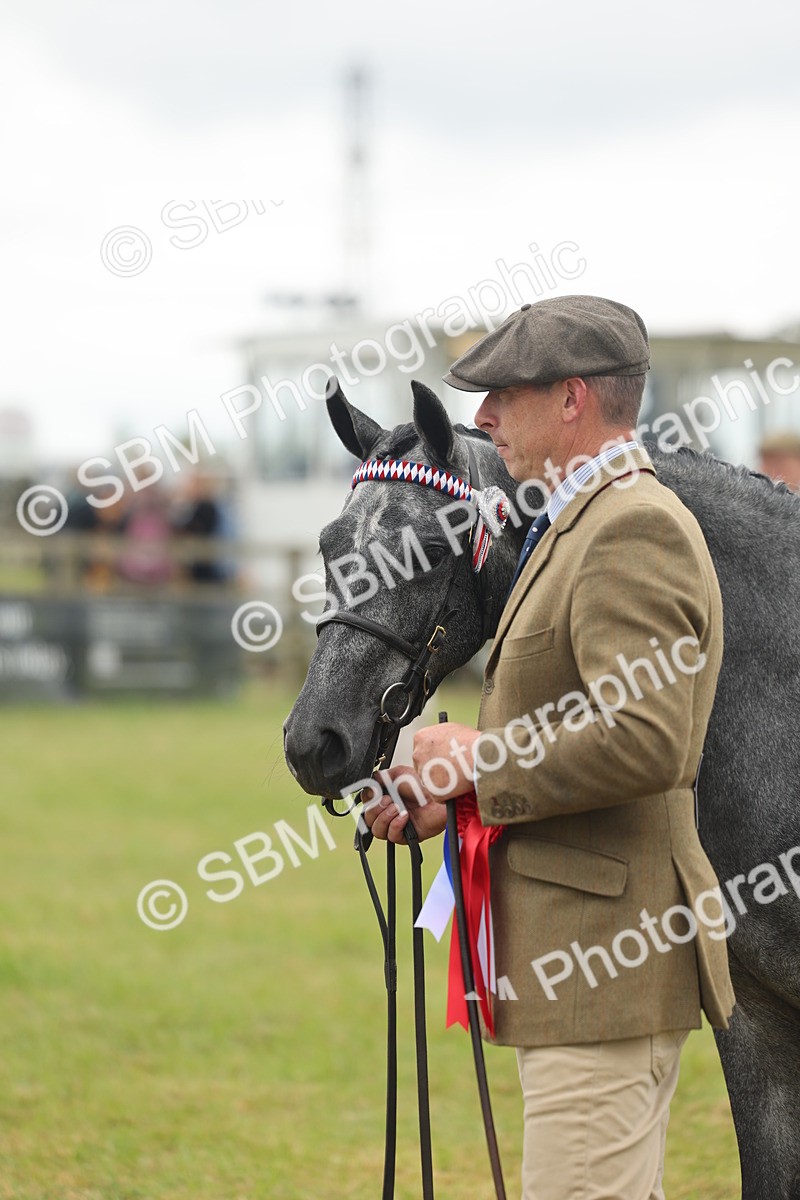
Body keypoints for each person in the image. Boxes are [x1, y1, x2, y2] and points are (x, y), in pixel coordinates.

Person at [362, 296, 735, 1200]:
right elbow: (581, 725)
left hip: (606, 969)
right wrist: (453, 795)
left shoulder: (630, 526)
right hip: (585, 969)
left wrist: (478, 760)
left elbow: (645, 739)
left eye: (504, 394)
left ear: (572, 399)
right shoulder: (579, 521)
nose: (485, 417)